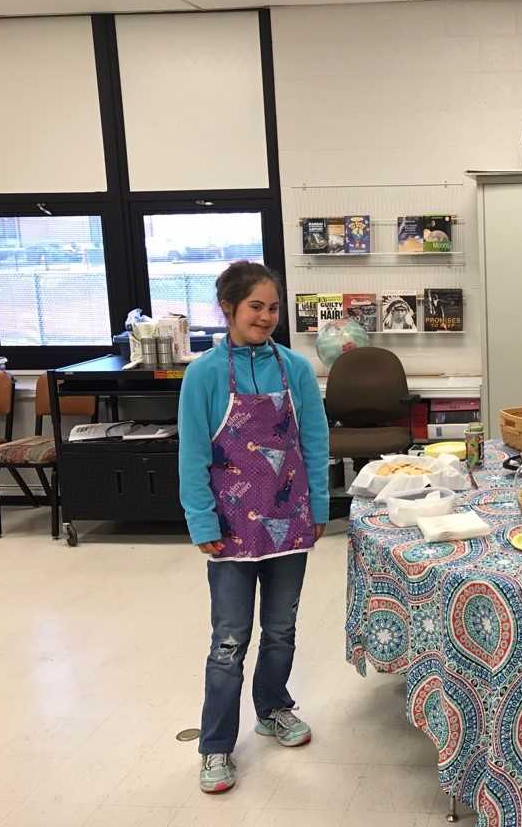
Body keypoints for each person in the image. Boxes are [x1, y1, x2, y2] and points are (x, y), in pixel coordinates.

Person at [178, 261, 330, 794]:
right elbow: (193, 454)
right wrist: (201, 519)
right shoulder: (203, 375)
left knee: (282, 629)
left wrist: (318, 508)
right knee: (228, 640)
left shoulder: (295, 369)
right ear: (228, 308)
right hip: (231, 526)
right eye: (255, 307)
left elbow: (314, 442)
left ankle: (273, 707)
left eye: (272, 308)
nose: (266, 317)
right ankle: (216, 746)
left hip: (289, 520)